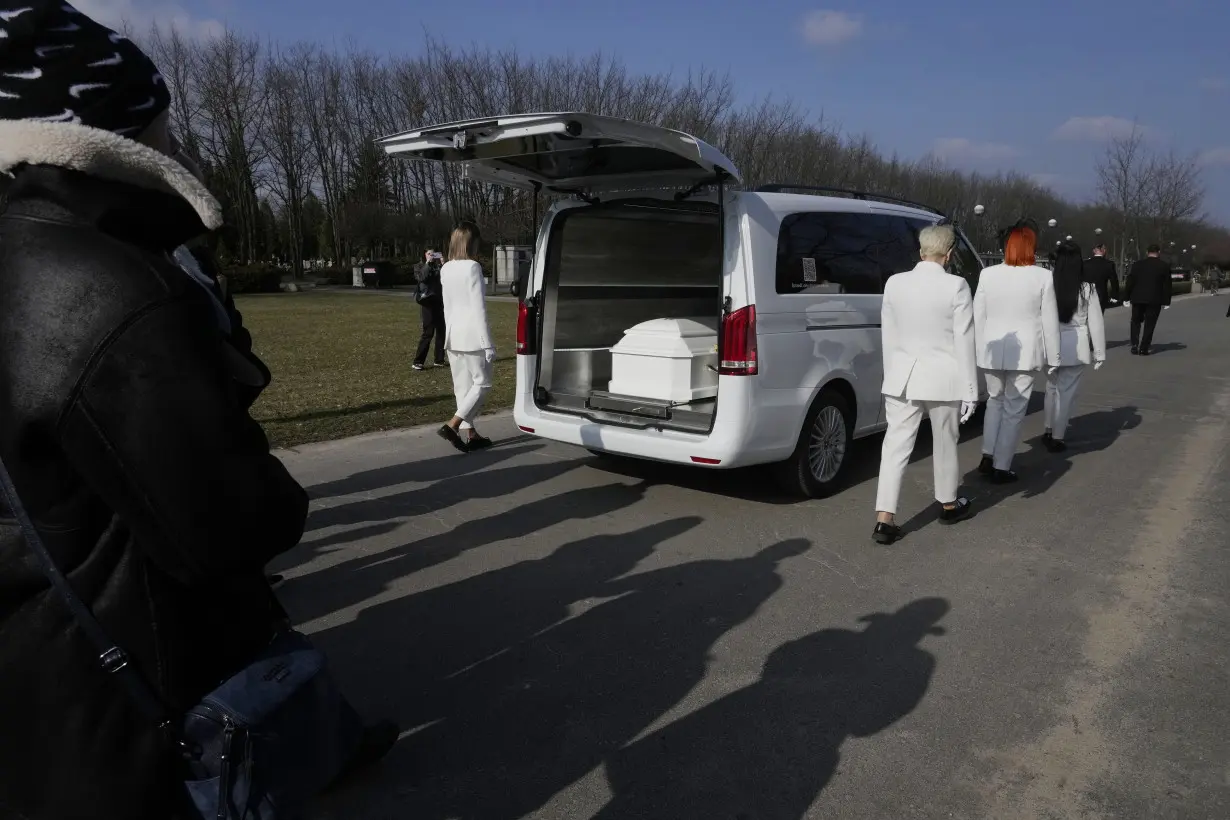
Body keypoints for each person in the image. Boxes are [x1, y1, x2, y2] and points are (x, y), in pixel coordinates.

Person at [0, 6, 394, 819]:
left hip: (35, 674)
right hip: (126, 695)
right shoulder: (109, 286)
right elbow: (231, 525)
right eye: (161, 126)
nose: (177, 145)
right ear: (114, 134)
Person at [872, 224, 978, 545]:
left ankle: (884, 518)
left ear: (921, 252)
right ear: (948, 255)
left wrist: (892, 373)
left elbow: (888, 335)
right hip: (942, 377)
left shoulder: (895, 283)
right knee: (945, 440)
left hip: (902, 376)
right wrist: (971, 389)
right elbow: (965, 341)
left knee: (895, 446)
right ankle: (947, 503)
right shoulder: (957, 286)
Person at [973, 219, 1061, 483]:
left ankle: (988, 455)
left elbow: (979, 315)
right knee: (1013, 409)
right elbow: (1050, 320)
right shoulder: (1043, 276)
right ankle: (1002, 465)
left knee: (994, 402)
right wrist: (1054, 357)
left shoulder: (987, 274)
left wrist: (979, 350)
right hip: (1025, 352)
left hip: (992, 349)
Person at [1042, 242, 1107, 452]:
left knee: (1051, 388)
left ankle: (1048, 428)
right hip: (1076, 346)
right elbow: (1095, 323)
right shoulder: (1087, 289)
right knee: (1066, 393)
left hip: (1050, 344)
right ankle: (1058, 436)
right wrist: (1099, 352)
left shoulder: (1047, 285)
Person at [438, 220, 496, 452]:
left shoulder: (446, 268)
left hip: (453, 335)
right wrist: (487, 343)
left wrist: (446, 337)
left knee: (462, 387)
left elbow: (447, 307)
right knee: (482, 384)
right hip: (472, 335)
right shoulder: (473, 267)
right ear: (472, 243)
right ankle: (454, 424)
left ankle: (471, 434)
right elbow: (478, 308)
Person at [1123, 244, 1172, 355]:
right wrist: (1167, 301)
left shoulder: (1137, 265)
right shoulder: (1164, 266)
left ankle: (1134, 344)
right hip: (1154, 298)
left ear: (1147, 252)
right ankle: (1144, 347)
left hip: (1138, 298)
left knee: (1135, 321)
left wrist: (1126, 297)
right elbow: (1167, 285)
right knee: (1150, 323)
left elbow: (1130, 282)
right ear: (1158, 252)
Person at [413, 249, 447, 370]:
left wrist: (444, 264)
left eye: (433, 254)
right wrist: (427, 263)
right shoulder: (419, 266)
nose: (431, 256)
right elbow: (422, 277)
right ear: (424, 255)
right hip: (427, 302)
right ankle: (418, 361)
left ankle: (439, 359)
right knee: (428, 332)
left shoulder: (438, 266)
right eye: (429, 253)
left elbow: (446, 279)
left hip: (439, 301)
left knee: (441, 332)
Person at [1083, 241, 1121, 311]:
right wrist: (1114, 296)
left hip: (1087, 295)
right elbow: (1114, 281)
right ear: (1103, 250)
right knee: (1099, 317)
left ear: (1094, 251)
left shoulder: (1085, 264)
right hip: (1102, 295)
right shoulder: (1109, 264)